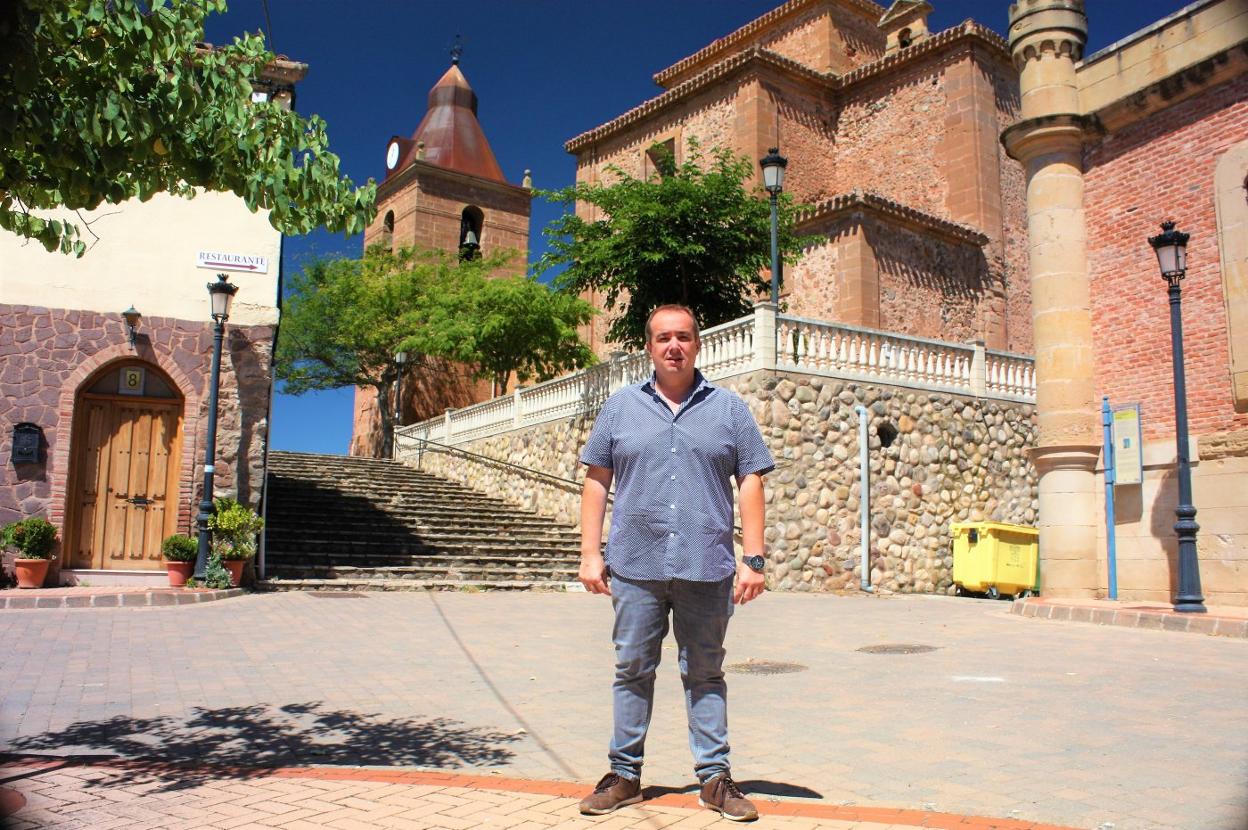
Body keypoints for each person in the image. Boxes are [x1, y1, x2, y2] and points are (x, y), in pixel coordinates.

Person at [576, 304, 774, 822]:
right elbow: (596, 479)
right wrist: (589, 554)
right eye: (663, 337)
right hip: (635, 565)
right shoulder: (620, 408)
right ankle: (623, 776)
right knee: (632, 670)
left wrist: (753, 558)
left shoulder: (729, 409)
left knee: (706, 672)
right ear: (648, 346)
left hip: (706, 565)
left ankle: (714, 779)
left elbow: (751, 477)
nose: (673, 346)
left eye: (683, 336)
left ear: (697, 345)